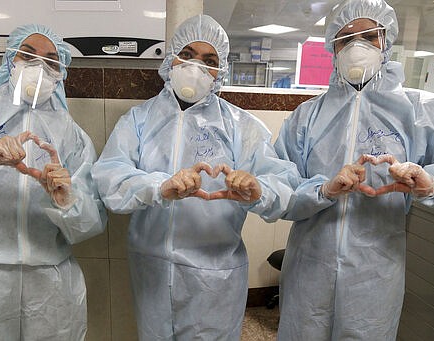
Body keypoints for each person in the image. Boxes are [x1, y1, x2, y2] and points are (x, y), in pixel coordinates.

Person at [91, 14, 300, 340]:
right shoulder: (139, 120)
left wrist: (257, 189)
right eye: (186, 55)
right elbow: (110, 177)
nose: (195, 67)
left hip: (215, 274)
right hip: (153, 268)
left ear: (221, 70)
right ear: (171, 58)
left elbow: (285, 184)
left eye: (209, 60)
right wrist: (159, 186)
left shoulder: (240, 126)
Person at [274, 0, 434, 340]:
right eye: (345, 37)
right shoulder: (306, 117)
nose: (356, 45)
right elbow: (279, 188)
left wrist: (429, 183)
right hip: (310, 262)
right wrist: (323, 190)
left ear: (386, 41)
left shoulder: (419, 111)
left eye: (368, 36)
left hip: (376, 266)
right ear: (332, 48)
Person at [0, 24, 107, 340]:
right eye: (28, 55)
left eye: (51, 61)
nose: (39, 67)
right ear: (10, 60)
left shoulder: (71, 137)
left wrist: (67, 200)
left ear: (60, 73)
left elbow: (89, 225)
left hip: (49, 284)